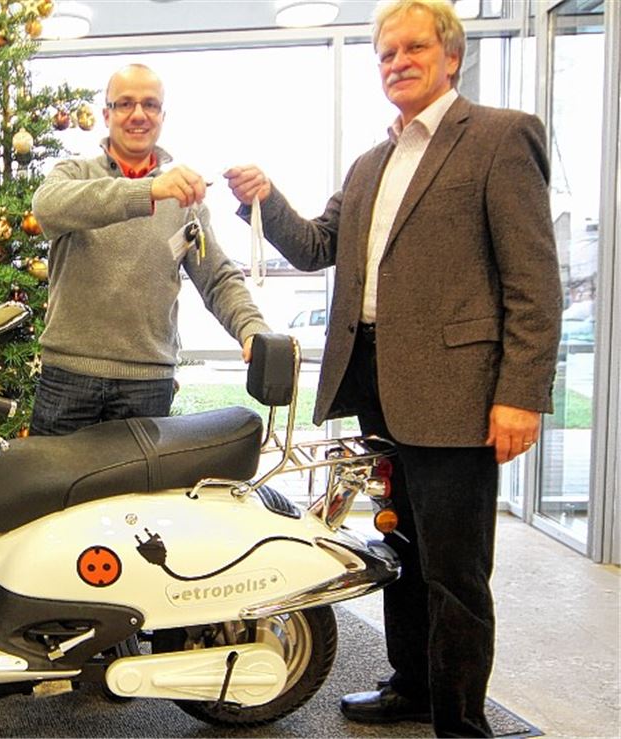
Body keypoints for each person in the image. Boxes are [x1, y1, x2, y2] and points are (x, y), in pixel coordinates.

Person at [225, 1, 561, 736]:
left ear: (451, 57)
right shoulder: (371, 162)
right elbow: (315, 246)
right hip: (376, 380)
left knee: (456, 571)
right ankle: (412, 685)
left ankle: (462, 723)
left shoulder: (501, 138)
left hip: (458, 392)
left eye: (412, 49)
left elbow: (533, 281)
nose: (397, 62)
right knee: (400, 550)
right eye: (385, 54)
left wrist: (522, 393)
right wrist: (265, 198)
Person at [30, 63, 269, 436]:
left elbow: (218, 278)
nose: (138, 114)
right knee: (58, 496)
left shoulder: (184, 198)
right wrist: (148, 191)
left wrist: (252, 329)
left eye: (150, 105)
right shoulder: (74, 172)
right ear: (106, 114)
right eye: (125, 104)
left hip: (147, 384)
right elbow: (48, 206)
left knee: (140, 497)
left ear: (162, 115)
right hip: (69, 377)